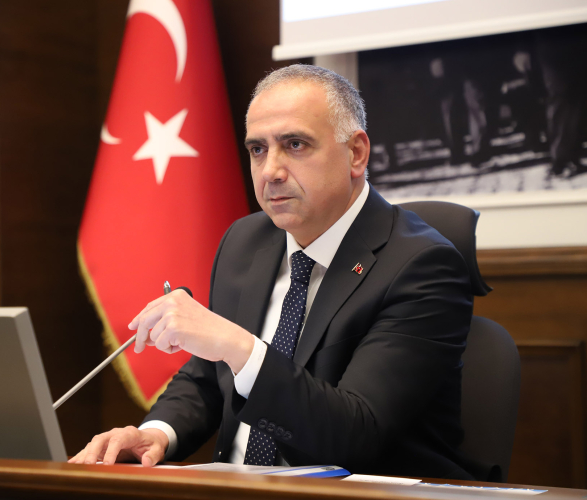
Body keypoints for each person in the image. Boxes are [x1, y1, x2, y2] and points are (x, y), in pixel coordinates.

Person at [70, 64, 482, 480]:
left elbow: (357, 434)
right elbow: (208, 377)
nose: (270, 171)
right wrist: (157, 433)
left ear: (356, 153)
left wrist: (240, 346)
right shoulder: (245, 241)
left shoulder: (422, 266)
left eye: (295, 144)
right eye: (257, 149)